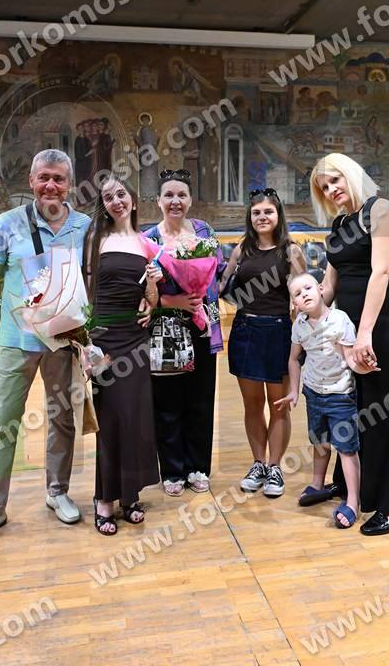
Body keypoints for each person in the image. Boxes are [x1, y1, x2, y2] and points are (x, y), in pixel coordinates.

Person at [0, 150, 91, 550]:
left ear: (69, 184)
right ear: (32, 181)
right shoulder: (9, 223)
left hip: (63, 341)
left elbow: (90, 279)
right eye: (44, 178)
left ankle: (57, 491)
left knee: (62, 418)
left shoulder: (84, 226)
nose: (51, 185)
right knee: (3, 422)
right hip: (16, 341)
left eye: (59, 178)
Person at [310, 152, 389, 536]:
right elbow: (330, 284)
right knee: (354, 408)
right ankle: (356, 487)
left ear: (350, 174)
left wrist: (364, 332)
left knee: (386, 411)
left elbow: (381, 272)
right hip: (350, 327)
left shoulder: (380, 209)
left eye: (335, 180)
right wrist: (307, 303)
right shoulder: (340, 224)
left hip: (382, 323)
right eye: (324, 187)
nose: (331, 190)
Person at [84, 177, 161, 535]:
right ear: (103, 205)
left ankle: (130, 495)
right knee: (109, 418)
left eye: (121, 194)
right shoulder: (95, 238)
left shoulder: (146, 243)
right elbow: (86, 289)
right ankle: (104, 499)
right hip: (104, 336)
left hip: (135, 337)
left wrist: (153, 288)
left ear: (132, 198)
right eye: (108, 197)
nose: (116, 201)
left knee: (134, 417)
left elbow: (151, 300)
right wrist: (86, 341)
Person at [220, 188, 306, 498]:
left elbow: (304, 295)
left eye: (268, 211)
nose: (262, 217)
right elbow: (221, 285)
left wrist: (301, 336)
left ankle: (275, 467)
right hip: (245, 331)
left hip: (279, 332)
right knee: (252, 404)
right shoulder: (241, 249)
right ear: (250, 217)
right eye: (256, 212)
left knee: (278, 406)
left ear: (278, 215)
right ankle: (258, 464)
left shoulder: (291, 251)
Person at [144, 169, 224, 497]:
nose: (175, 201)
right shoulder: (148, 239)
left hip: (202, 326)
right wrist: (171, 300)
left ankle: (197, 467)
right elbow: (141, 293)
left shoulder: (205, 231)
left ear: (190, 200)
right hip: (166, 328)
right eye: (169, 195)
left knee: (201, 400)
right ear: (158, 201)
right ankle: (173, 470)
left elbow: (217, 274)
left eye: (181, 195)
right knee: (167, 402)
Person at [276, 273, 378, 528]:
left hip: (339, 395)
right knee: (319, 442)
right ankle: (317, 484)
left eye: (308, 288)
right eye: (297, 294)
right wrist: (294, 391)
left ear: (321, 289)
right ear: (294, 304)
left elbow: (350, 357)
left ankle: (352, 501)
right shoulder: (299, 326)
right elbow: (293, 359)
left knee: (346, 448)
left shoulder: (339, 319)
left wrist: (364, 367)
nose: (304, 294)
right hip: (313, 393)